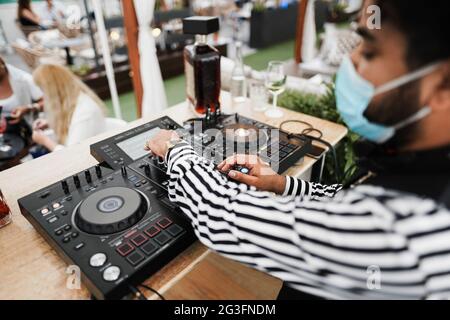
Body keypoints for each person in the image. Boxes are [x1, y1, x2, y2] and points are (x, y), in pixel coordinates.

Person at [145, 0, 450, 299]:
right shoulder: (423, 173)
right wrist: (282, 183)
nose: (352, 61)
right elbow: (342, 205)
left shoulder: (406, 236)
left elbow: (223, 213)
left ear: (442, 87)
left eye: (370, 51)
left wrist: (175, 148)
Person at [31, 64, 107, 151]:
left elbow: (72, 153)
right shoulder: (76, 102)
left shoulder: (84, 112)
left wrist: (45, 141)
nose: (43, 94)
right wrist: (50, 123)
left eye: (43, 89)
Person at [0, 56, 43, 124]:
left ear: (2, 62)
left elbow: (46, 103)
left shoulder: (24, 79)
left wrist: (29, 108)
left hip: (25, 129)